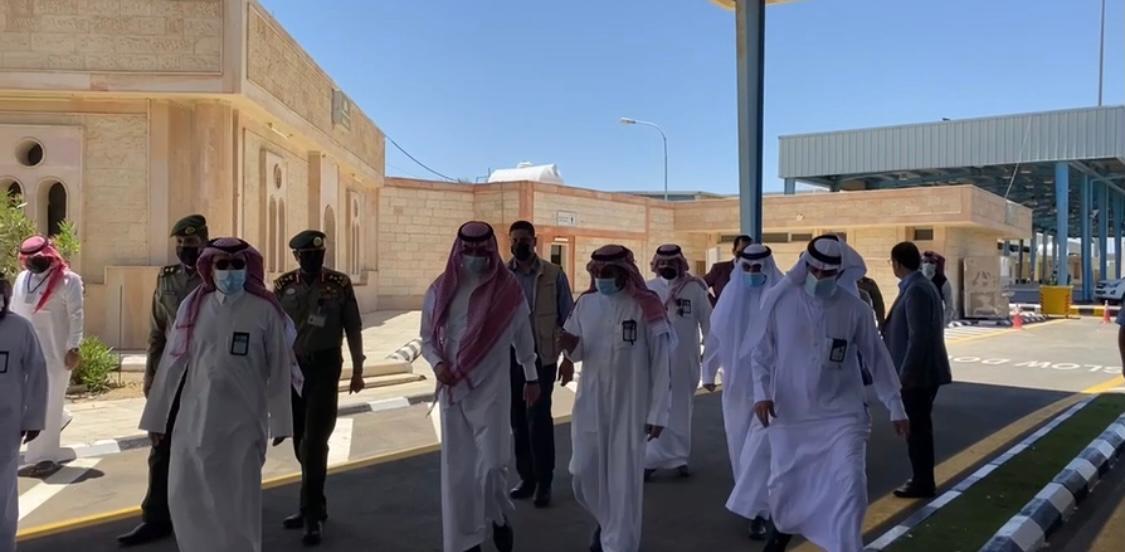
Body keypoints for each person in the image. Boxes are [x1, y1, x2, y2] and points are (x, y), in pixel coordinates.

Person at [750, 235, 909, 552]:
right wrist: (761, 393)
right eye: (815, 270)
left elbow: (878, 358)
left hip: (842, 416)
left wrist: (896, 406)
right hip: (791, 416)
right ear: (805, 266)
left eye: (828, 273)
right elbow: (761, 354)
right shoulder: (780, 302)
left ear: (841, 273)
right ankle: (781, 534)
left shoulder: (855, 309)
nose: (820, 277)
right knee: (785, 490)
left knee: (851, 486)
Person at [139, 238, 294, 552]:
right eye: (222, 264)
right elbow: (171, 363)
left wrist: (281, 422)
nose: (230, 271)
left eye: (237, 264)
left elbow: (280, 368)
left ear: (248, 267)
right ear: (210, 268)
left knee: (238, 501)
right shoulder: (193, 308)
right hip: (195, 420)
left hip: (244, 422)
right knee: (188, 494)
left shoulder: (264, 311)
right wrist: (157, 418)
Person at [420, 221, 541, 552]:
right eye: (468, 250)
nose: (474, 256)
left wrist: (531, 377)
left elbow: (524, 339)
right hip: (453, 391)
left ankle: (498, 517)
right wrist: (438, 365)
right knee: (458, 473)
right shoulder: (440, 289)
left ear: (491, 250)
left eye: (480, 250)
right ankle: (465, 541)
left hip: (492, 393)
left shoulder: (508, 291)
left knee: (492, 466)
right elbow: (427, 339)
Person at [559, 244, 672, 552]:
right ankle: (606, 522)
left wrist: (658, 413)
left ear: (624, 272)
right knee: (583, 470)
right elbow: (579, 352)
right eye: (596, 272)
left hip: (631, 407)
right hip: (591, 404)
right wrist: (567, 347)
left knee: (624, 482)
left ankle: (619, 544)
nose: (601, 278)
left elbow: (661, 362)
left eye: (607, 272)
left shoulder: (646, 305)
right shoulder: (586, 304)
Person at [118, 214, 207, 546]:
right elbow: (157, 330)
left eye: (191, 243)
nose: (185, 249)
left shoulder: (216, 276)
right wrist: (150, 375)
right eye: (180, 244)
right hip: (171, 374)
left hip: (205, 375)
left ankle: (199, 513)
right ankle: (155, 517)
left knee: (201, 445)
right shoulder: (167, 277)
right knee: (160, 446)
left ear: (204, 242)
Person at [275, 230, 366, 545]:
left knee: (314, 443)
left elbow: (353, 326)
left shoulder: (339, 284)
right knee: (300, 442)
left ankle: (311, 515)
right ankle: (313, 504)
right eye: (308, 255)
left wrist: (358, 370)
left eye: (319, 254)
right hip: (294, 371)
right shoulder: (283, 286)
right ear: (297, 257)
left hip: (325, 369)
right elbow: (274, 331)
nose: (315, 259)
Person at [702, 243, 782, 540]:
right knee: (739, 446)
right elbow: (716, 336)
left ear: (768, 267)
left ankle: (761, 510)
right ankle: (754, 506)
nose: (751, 273)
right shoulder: (730, 297)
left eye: (757, 268)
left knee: (762, 449)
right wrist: (708, 371)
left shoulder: (782, 297)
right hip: (737, 386)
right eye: (746, 267)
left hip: (773, 387)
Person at [506, 220, 574, 508]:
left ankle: (544, 482)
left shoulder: (553, 274)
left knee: (539, 419)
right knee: (517, 420)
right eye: (515, 239)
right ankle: (527, 478)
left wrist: (567, 358)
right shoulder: (502, 276)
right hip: (511, 359)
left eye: (525, 239)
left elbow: (568, 318)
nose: (520, 244)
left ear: (534, 241)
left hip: (543, 357)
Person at [12, 236, 83, 478]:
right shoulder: (22, 279)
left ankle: (44, 459)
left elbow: (76, 315)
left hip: (55, 355)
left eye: (38, 258)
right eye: (29, 259)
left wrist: (74, 348)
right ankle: (62, 418)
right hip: (25, 354)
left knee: (49, 405)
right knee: (28, 404)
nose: (34, 263)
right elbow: (14, 312)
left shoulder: (69, 280)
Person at [886, 242, 951, 499]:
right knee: (918, 428)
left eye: (892, 262)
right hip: (918, 373)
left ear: (897, 263)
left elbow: (918, 337)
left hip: (918, 375)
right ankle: (921, 479)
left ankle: (922, 482)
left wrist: (906, 376)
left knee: (917, 430)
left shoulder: (916, 290)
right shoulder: (918, 286)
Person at [644, 244, 711, 480]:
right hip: (654, 359)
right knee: (655, 407)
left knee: (681, 408)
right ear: (656, 265)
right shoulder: (648, 289)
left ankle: (679, 458)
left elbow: (708, 323)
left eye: (671, 262)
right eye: (662, 263)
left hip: (685, 359)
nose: (666, 266)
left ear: (680, 263)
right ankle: (650, 460)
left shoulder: (695, 289)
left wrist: (709, 356)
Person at [0, 272, 47, 552]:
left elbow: (38, 372)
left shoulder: (20, 329)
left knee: (3, 493)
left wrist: (34, 418)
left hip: (6, 425)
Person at [703, 235, 753, 303]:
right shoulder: (719, 269)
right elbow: (699, 286)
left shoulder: (755, 271)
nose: (746, 254)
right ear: (734, 251)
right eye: (742, 250)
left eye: (749, 250)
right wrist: (713, 303)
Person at [922, 251, 956, 326]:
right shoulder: (917, 280)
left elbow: (949, 306)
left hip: (935, 322)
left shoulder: (943, 282)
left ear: (936, 265)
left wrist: (942, 324)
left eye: (931, 262)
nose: (927, 265)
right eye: (925, 262)